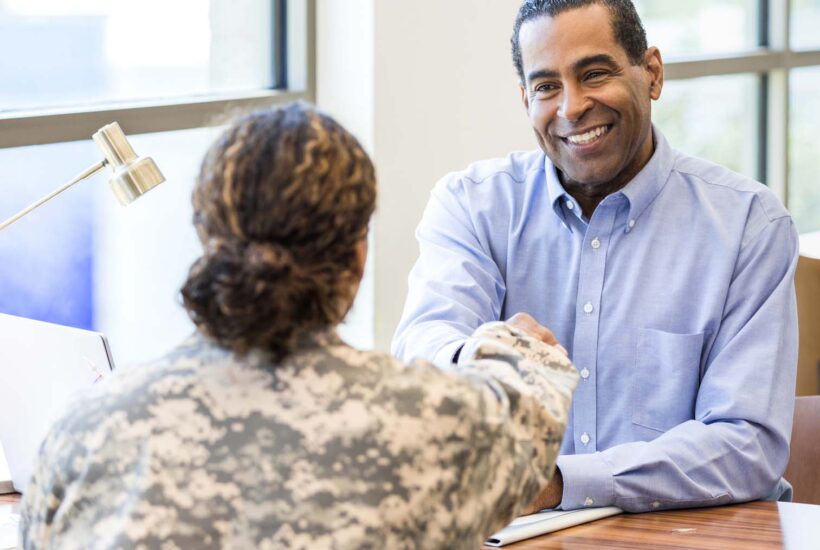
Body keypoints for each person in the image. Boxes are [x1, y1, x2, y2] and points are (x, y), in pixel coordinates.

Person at [19, 103, 578, 549]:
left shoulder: (85, 431)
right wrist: (505, 345)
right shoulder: (446, 426)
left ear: (207, 239)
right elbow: (537, 409)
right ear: (357, 258)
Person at [393, 0, 799, 514]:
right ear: (525, 100)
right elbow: (420, 348)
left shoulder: (748, 225)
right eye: (546, 87)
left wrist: (561, 483)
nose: (571, 107)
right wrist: (473, 353)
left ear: (651, 72)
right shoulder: (472, 205)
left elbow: (747, 445)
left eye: (594, 73)